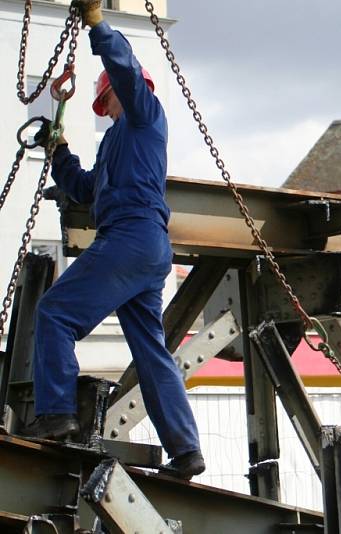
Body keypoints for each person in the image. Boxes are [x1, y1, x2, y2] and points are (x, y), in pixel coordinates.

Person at [23, 0, 205, 479]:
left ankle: (56, 413)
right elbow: (85, 188)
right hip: (145, 249)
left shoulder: (146, 117)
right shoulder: (117, 143)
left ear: (123, 94)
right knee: (151, 351)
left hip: (128, 238)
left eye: (104, 102)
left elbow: (124, 68)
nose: (103, 110)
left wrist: (99, 26)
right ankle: (186, 451)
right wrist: (59, 150)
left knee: (56, 313)